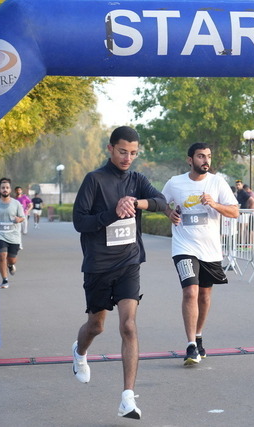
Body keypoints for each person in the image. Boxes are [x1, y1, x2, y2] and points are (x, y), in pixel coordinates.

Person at [71, 126, 167, 419]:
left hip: (128, 263)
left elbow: (162, 203)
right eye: (123, 151)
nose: (128, 158)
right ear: (110, 148)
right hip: (99, 266)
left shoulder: (137, 180)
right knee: (96, 326)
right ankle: (80, 351)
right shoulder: (94, 180)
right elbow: (80, 222)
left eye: (133, 153)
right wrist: (115, 211)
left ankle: (127, 398)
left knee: (128, 326)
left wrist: (136, 203)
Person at [163, 142, 239, 366]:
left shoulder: (217, 182)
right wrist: (169, 213)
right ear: (190, 160)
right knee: (190, 292)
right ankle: (190, 346)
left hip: (210, 250)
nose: (206, 160)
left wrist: (214, 204)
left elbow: (234, 211)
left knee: (204, 296)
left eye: (208, 156)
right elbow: (160, 202)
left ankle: (198, 336)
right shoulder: (175, 182)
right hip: (184, 247)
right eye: (200, 156)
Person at [0, 178, 25, 289]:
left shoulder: (16, 203)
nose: (5, 189)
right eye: (3, 188)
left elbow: (22, 217)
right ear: (0, 189)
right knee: (1, 256)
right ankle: (5, 280)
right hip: (0, 234)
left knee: (11, 259)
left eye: (7, 188)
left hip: (14, 236)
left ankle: (11, 265)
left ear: (10, 189)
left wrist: (19, 219)